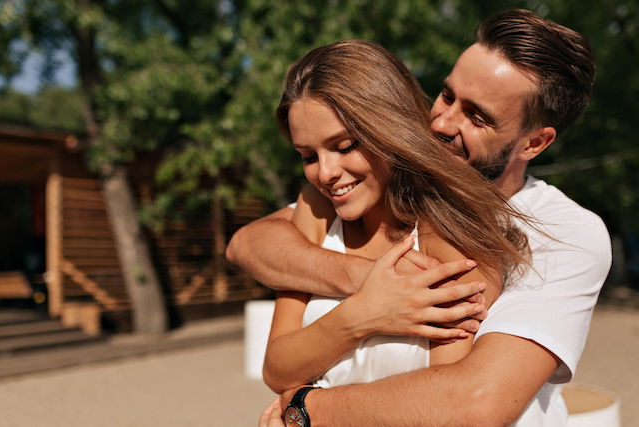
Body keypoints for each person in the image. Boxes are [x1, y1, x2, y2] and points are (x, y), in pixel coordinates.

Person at [227, 8, 612, 426]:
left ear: (534, 143)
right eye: (447, 96)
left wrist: (305, 409)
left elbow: (474, 404)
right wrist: (373, 288)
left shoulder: (564, 232)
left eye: (477, 117)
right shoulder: (366, 189)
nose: (442, 122)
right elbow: (249, 244)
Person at [262, 39, 532, 401]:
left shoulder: (451, 236)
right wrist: (362, 315)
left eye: (344, 147)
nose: (325, 173)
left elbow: (446, 404)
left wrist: (306, 411)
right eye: (308, 156)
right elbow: (277, 369)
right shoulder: (314, 210)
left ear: (391, 129)